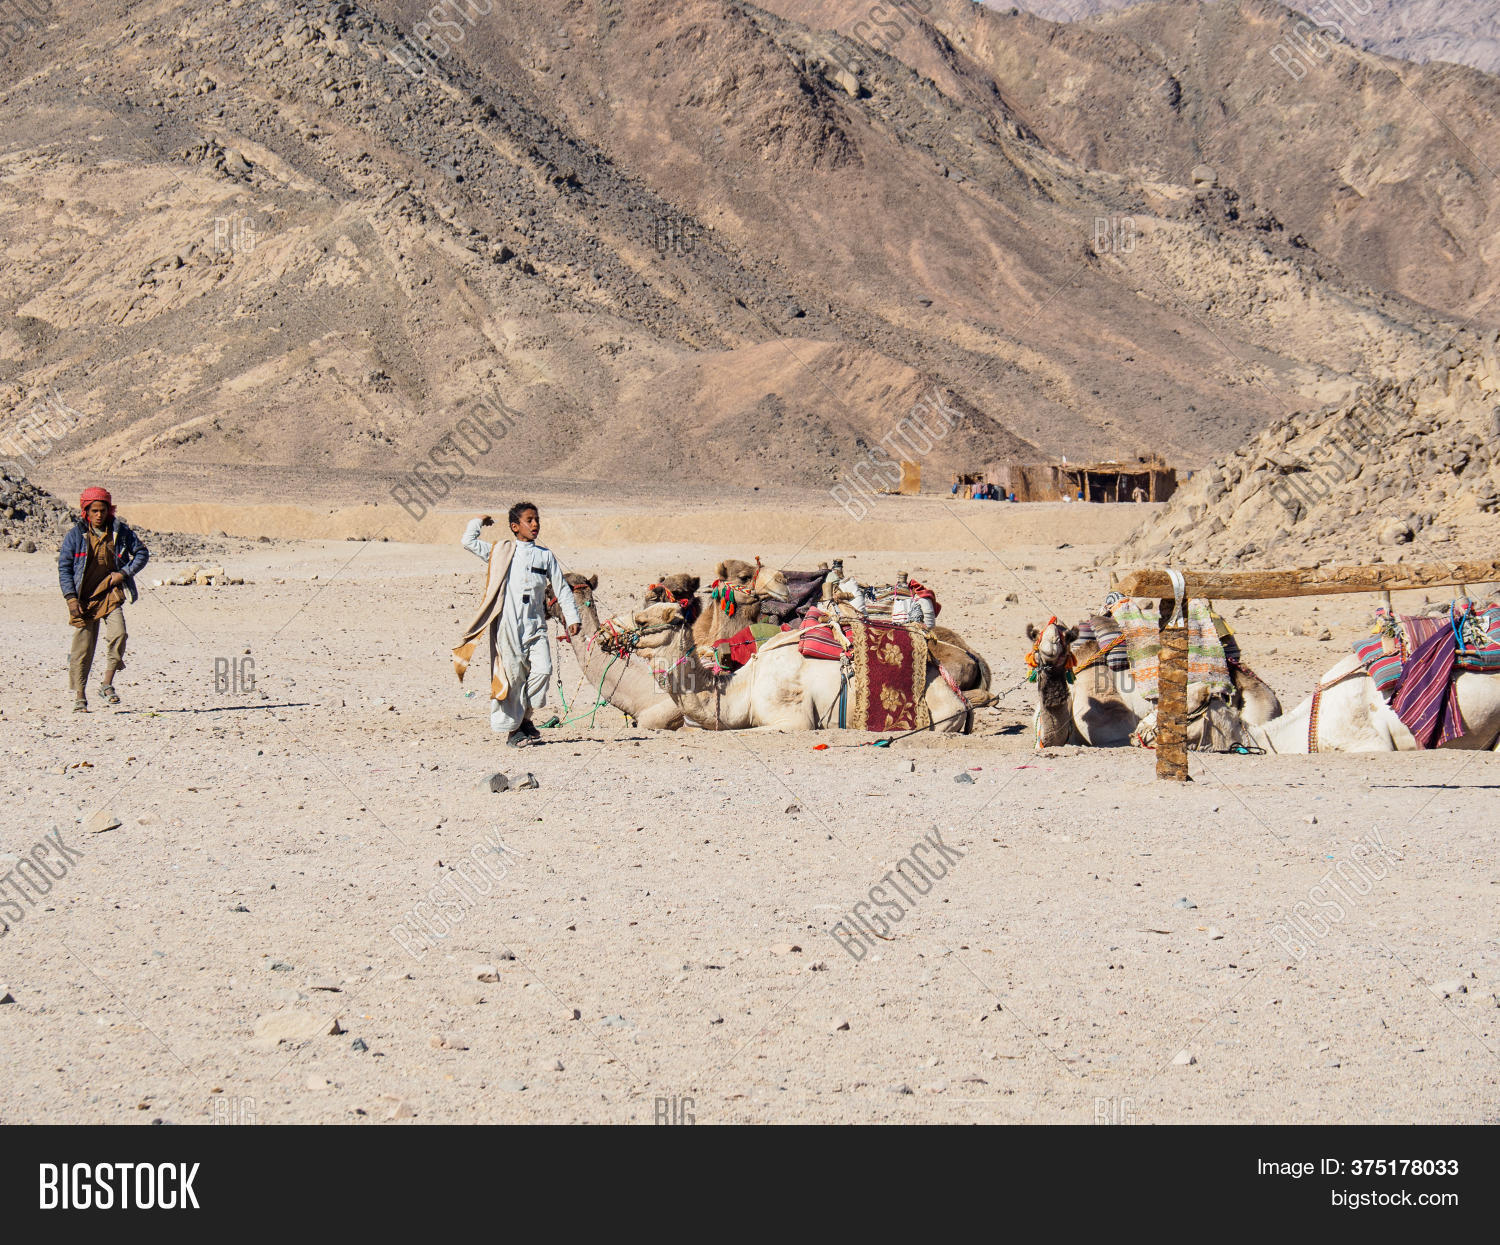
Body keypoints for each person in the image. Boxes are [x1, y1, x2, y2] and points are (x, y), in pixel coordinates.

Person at [453, 502, 581, 747]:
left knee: (543, 670)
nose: (535, 525)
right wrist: (478, 521)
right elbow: (468, 541)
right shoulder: (501, 552)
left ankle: (525, 719)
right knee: (513, 677)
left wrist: (572, 617)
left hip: (536, 624)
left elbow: (561, 588)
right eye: (529, 520)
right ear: (515, 526)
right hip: (508, 626)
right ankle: (514, 732)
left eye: (537, 520)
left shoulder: (545, 556)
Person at [58, 486, 149, 712]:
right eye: (94, 510)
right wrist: (71, 598)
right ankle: (80, 696)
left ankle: (107, 684)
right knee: (83, 648)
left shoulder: (120, 531)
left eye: (103, 510)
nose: (99, 514)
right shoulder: (75, 536)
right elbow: (65, 568)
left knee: (119, 633)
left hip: (110, 594)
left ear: (109, 510)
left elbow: (141, 553)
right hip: (84, 598)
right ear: (86, 512)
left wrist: (124, 573)